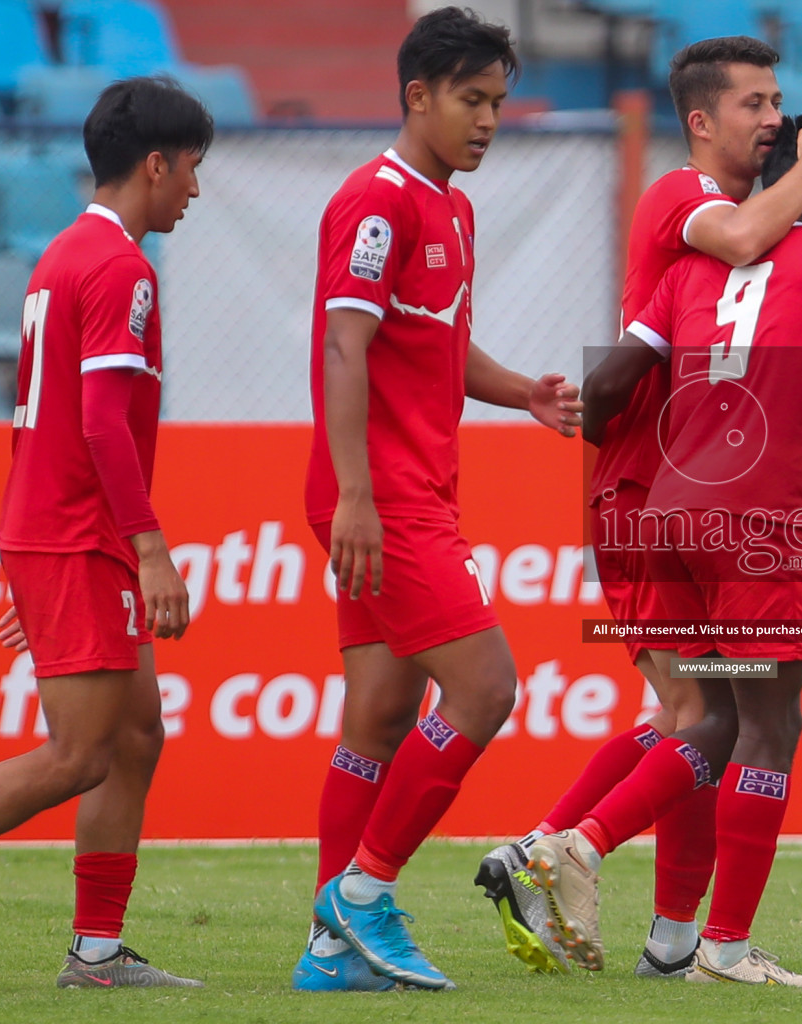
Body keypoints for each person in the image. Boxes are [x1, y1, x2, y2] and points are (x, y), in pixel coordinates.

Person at [474, 35, 802, 979]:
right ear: (700, 122)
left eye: (778, 99)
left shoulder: (753, 219)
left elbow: (771, 259)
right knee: (704, 715)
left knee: (694, 716)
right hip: (645, 480)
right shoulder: (682, 197)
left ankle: (657, 932)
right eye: (754, 102)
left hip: (682, 485)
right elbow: (745, 244)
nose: (775, 117)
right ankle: (555, 850)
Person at [531, 115, 802, 987]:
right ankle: (698, 928)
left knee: (712, 719)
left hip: (670, 515)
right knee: (771, 724)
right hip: (760, 523)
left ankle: (641, 911)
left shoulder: (696, 265)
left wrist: (604, 436)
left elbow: (610, 381)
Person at [292, 6, 581, 993]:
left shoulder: (453, 208)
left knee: (378, 714)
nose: (489, 119)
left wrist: (525, 394)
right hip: (380, 499)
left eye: (499, 102)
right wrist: (358, 499)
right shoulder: (378, 203)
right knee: (487, 685)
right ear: (418, 97)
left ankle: (331, 953)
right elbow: (345, 345)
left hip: (409, 492)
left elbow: (441, 352)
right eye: (472, 100)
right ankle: (365, 892)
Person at [0, 76, 211, 989]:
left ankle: (97, 953)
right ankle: (94, 951)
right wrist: (149, 548)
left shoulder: (64, 255)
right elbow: (100, 422)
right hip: (78, 534)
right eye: (191, 170)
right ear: (156, 163)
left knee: (136, 735)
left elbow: (49, 420)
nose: (194, 188)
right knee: (79, 754)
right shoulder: (120, 269)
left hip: (60, 532)